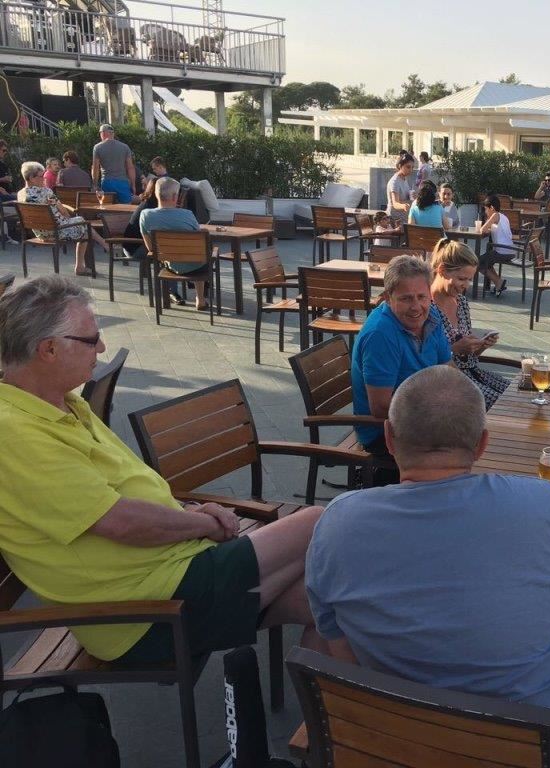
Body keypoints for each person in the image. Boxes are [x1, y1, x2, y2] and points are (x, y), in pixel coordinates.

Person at [306, 365, 550, 768]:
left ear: (389, 437)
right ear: (482, 444)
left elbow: (346, 656)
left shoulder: (337, 523)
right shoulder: (541, 504)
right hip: (543, 750)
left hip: (398, 747)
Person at [0, 275, 328, 664]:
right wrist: (203, 523)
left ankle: (328, 704)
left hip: (168, 572)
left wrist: (190, 511)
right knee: (322, 522)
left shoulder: (62, 403)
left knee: (331, 602)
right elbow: (121, 522)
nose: (101, 347)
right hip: (142, 613)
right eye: (91, 339)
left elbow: (126, 489)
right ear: (49, 349)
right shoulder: (14, 432)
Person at [350, 255, 452, 467]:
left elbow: (448, 370)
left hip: (423, 414)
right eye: (406, 298)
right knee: (461, 455)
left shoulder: (432, 315)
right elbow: (381, 408)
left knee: (479, 432)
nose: (416, 307)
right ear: (388, 298)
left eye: (422, 297)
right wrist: (435, 414)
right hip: (384, 432)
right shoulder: (380, 334)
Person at [430, 239, 507, 408]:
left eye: (470, 280)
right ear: (442, 270)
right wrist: (455, 349)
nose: (466, 285)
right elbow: (421, 357)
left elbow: (468, 359)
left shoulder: (462, 303)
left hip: (472, 374)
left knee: (517, 395)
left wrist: (480, 346)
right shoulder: (425, 307)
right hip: (447, 382)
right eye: (462, 279)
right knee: (504, 406)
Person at [17, 161, 105, 276]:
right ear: (31, 178)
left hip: (40, 233)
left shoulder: (20, 194)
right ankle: (97, 252)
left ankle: (102, 247)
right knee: (84, 225)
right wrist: (68, 220)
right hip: (56, 231)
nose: (44, 179)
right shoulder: (45, 191)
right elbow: (63, 210)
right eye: (41, 176)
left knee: (82, 225)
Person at [139, 177, 208, 311]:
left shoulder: (145, 215)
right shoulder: (188, 215)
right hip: (196, 267)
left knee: (195, 253)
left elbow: (150, 248)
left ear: (156, 194)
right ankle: (200, 298)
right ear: (175, 197)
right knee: (202, 253)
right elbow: (198, 239)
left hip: (169, 266)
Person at [478, 194, 515, 297]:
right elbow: (495, 229)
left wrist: (486, 222)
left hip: (502, 251)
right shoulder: (504, 217)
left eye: (486, 209)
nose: (486, 212)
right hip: (510, 250)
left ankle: (498, 282)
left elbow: (482, 229)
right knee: (486, 262)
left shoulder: (495, 215)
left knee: (477, 263)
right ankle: (499, 282)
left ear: (492, 208)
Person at [91, 123, 136, 204]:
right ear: (112, 134)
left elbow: (95, 168)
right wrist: (133, 185)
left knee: (108, 207)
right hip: (122, 182)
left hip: (107, 182)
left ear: (103, 133)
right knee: (127, 208)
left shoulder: (97, 147)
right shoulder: (125, 147)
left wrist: (95, 185)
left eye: (100, 133)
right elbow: (130, 167)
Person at [386, 154, 415, 225]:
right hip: (395, 220)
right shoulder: (395, 182)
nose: (411, 170)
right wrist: (404, 206)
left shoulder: (404, 178)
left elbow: (404, 197)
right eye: (408, 167)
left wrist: (413, 196)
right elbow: (395, 204)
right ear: (400, 166)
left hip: (404, 217)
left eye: (412, 167)